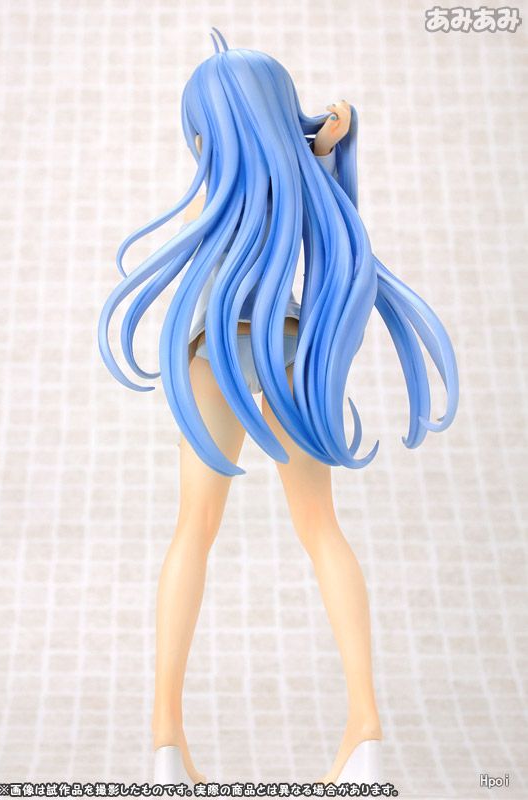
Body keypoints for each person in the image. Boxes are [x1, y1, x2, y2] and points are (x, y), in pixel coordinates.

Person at [98, 26, 459, 790]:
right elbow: (331, 219)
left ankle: (165, 741)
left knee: (192, 529)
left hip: (211, 345)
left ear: (207, 133)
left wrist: (320, 143)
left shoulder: (219, 199)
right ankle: (364, 729)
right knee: (320, 526)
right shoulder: (301, 188)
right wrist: (326, 146)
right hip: (287, 338)